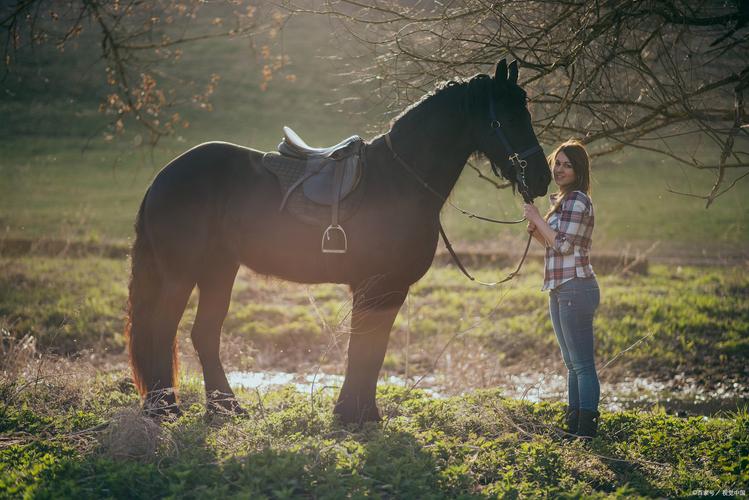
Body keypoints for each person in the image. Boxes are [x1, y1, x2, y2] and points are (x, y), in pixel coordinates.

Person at [523, 139, 600, 439]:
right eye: (558, 163)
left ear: (579, 171)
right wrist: (538, 229)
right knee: (571, 364)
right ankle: (573, 427)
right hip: (559, 287)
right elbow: (554, 246)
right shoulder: (562, 201)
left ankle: (586, 431)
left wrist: (537, 220)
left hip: (576, 287)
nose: (560, 169)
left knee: (582, 364)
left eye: (568, 165)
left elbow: (565, 246)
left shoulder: (578, 200)